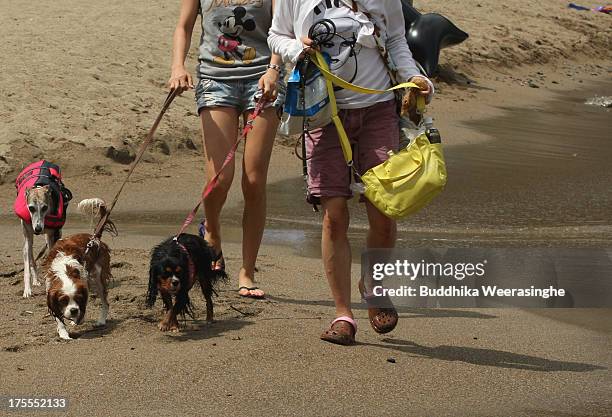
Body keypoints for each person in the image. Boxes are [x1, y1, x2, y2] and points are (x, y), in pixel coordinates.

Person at [268, 0, 433, 345]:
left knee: (384, 210)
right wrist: (297, 48)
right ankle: (343, 315)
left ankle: (372, 285)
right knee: (334, 215)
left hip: (378, 108)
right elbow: (276, 35)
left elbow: (397, 40)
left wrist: (413, 77)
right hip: (322, 112)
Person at [169, 0, 284, 299]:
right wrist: (178, 67)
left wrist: (274, 69)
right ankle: (213, 231)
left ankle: (247, 271)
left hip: (263, 79)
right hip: (215, 79)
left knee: (254, 180)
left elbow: (282, 27)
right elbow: (184, 26)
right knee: (220, 177)